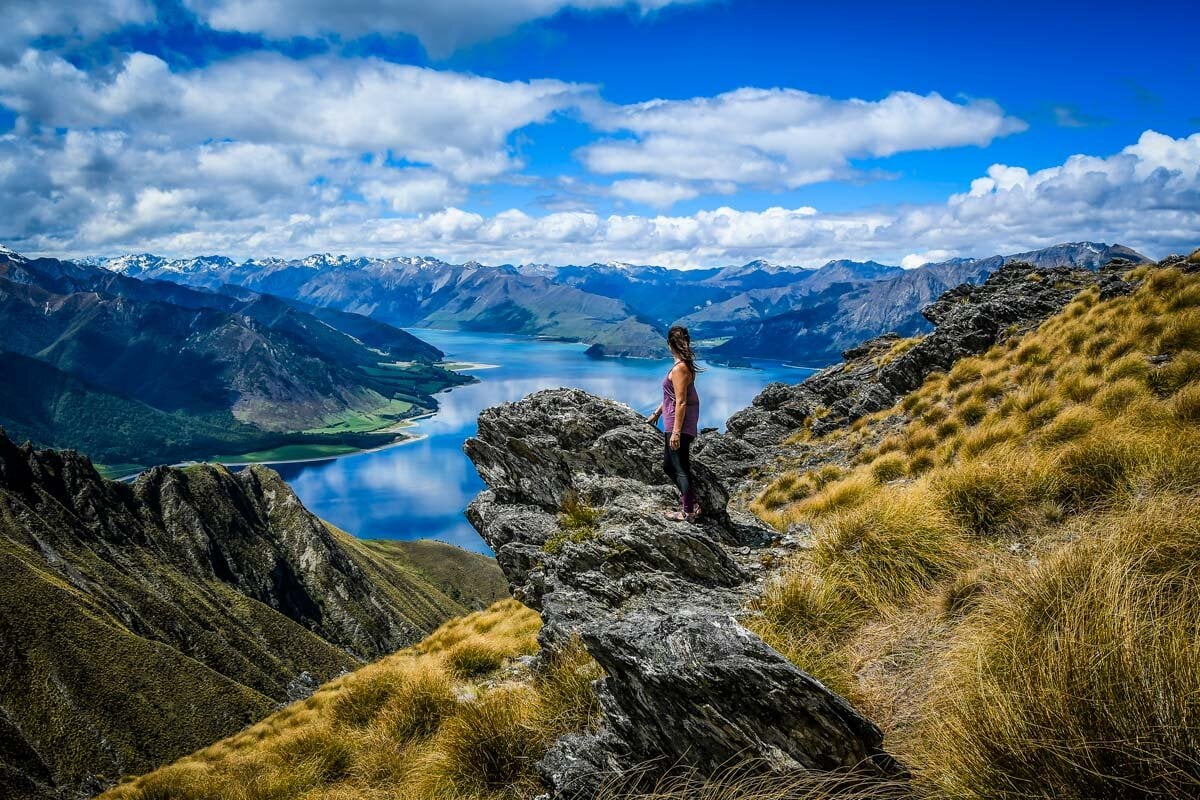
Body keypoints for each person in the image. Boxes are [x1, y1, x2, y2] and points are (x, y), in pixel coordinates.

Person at [648, 325, 702, 521]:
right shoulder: (683, 366)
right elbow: (671, 397)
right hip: (673, 422)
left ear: (670, 344)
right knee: (669, 466)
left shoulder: (680, 369)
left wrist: (677, 432)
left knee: (680, 468)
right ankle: (691, 504)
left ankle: (688, 511)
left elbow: (681, 401)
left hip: (678, 425)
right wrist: (657, 414)